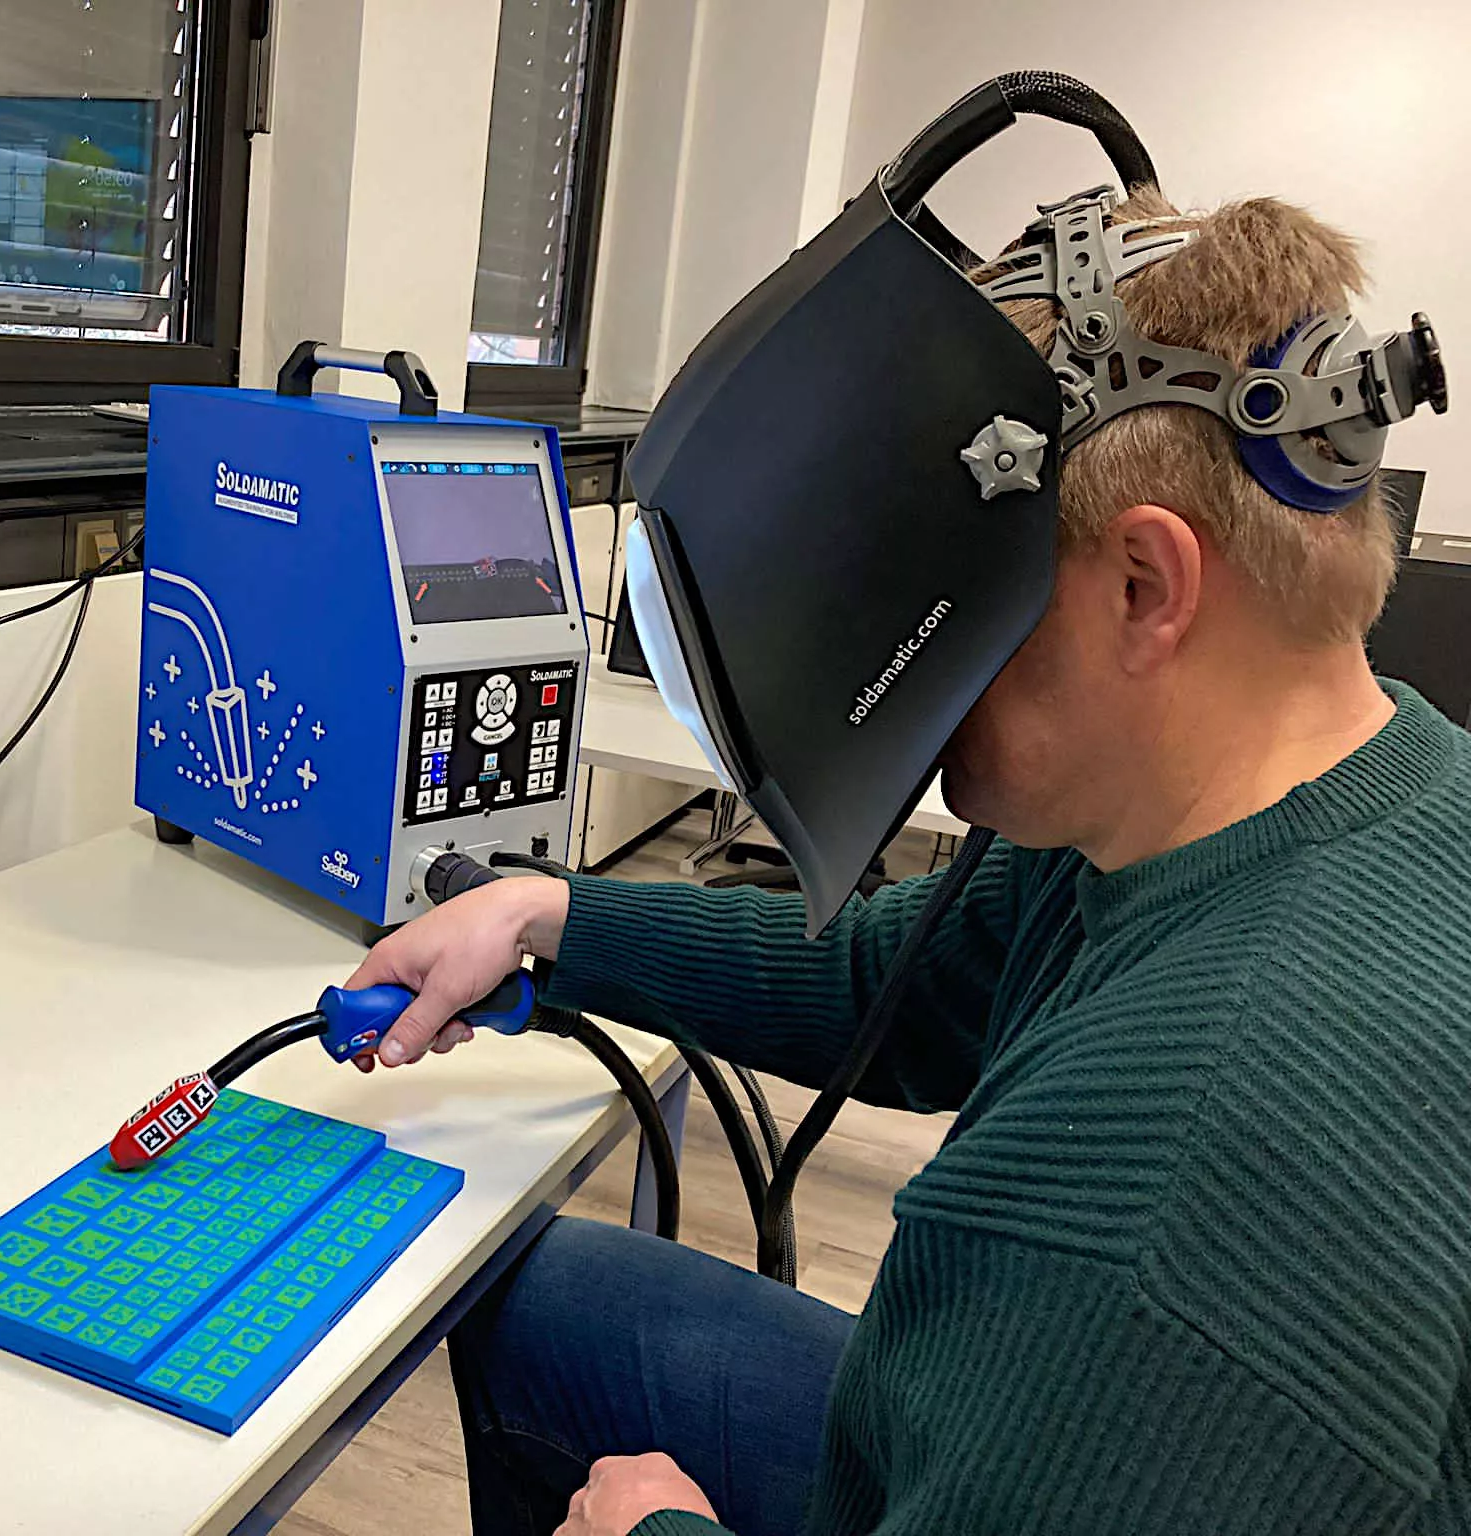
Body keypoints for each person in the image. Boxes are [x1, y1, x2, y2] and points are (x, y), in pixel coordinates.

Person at [344, 190, 1471, 1536]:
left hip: (1092, 1436)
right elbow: (895, 984)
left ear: (1144, 586)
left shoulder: (1179, 1191)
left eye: (950, 589)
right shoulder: (1245, 813)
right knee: (545, 1300)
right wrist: (548, 915)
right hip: (1040, 1439)